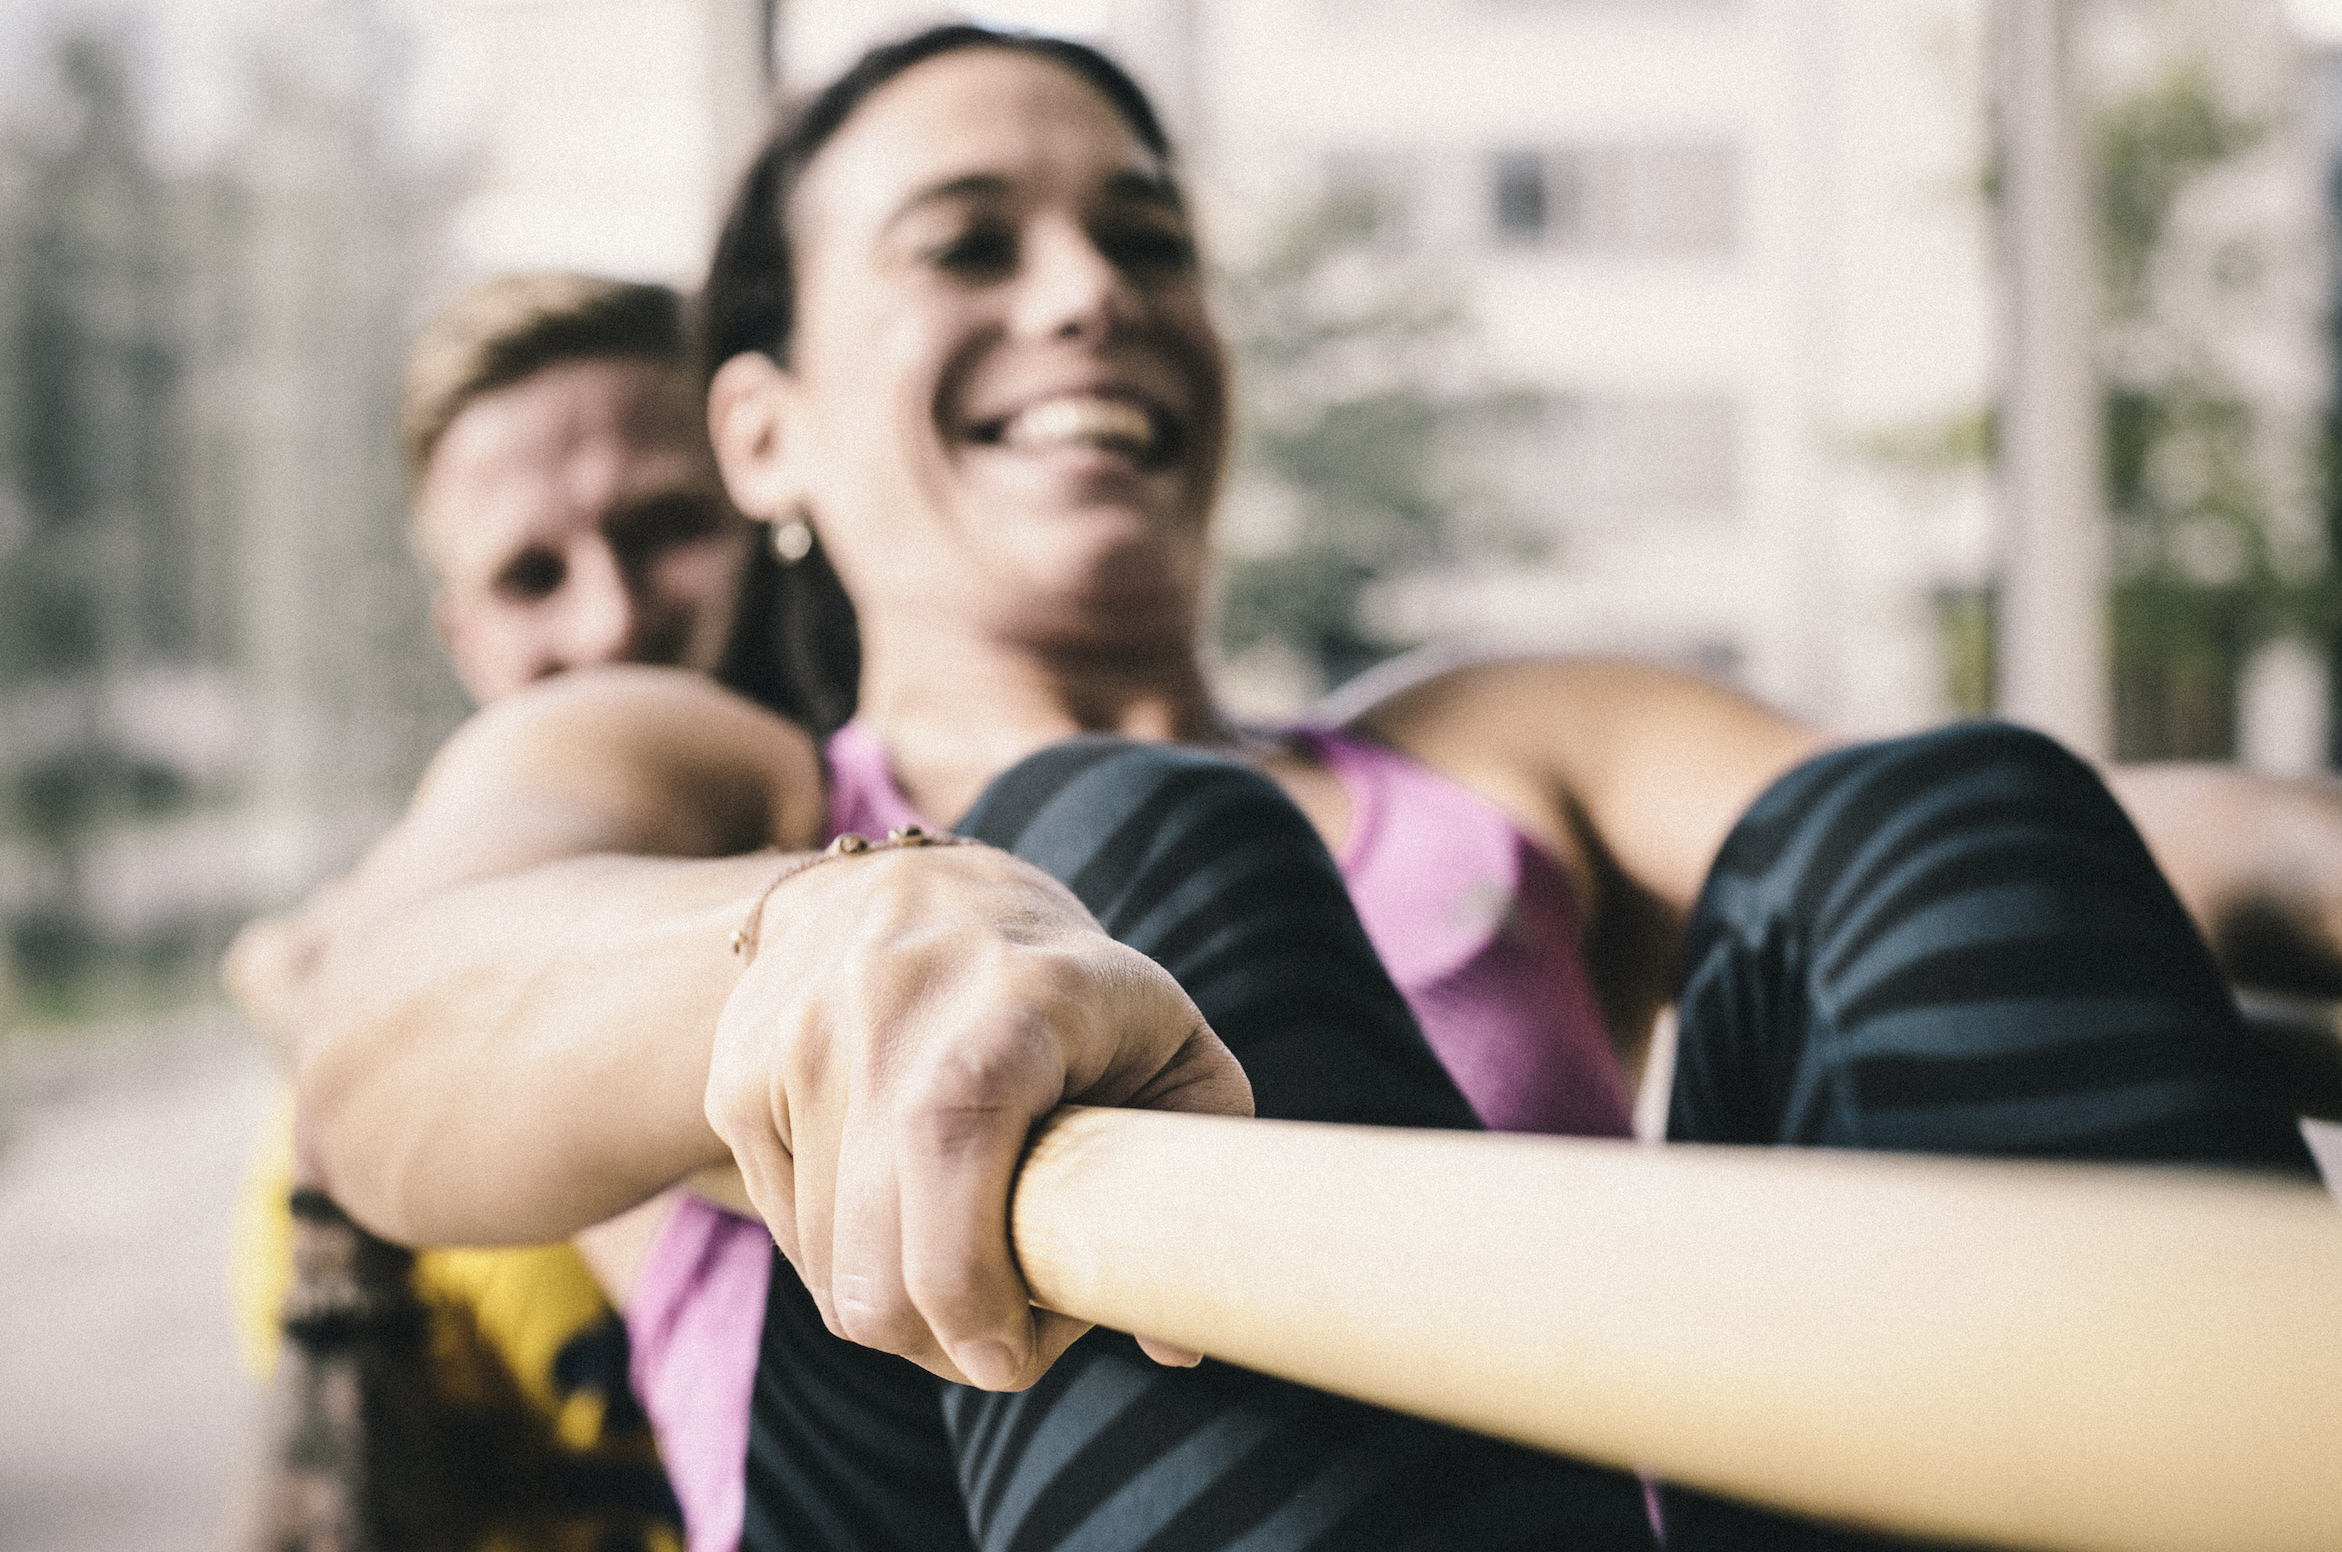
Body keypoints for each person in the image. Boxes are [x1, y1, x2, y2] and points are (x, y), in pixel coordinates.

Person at [226, 25, 2339, 1552]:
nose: (1089, 293)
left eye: (1146, 241)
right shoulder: (712, 779)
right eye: (968, 245)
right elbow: (384, 1030)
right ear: (762, 434)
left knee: (1940, 797)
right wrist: (827, 936)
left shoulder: (1493, 747)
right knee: (1119, 834)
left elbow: (2108, 872)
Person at [229, 271, 753, 1552]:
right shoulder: (358, 1080)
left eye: (668, 526)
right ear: (464, 640)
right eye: (531, 575)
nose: (611, 620)